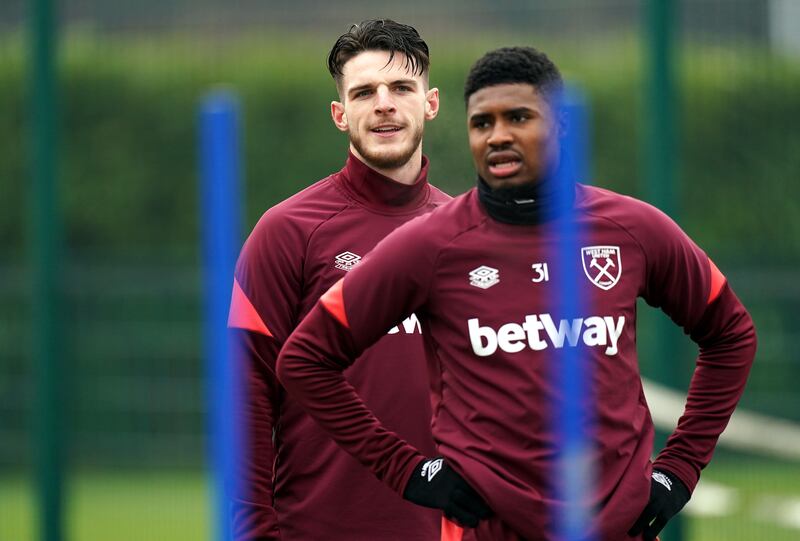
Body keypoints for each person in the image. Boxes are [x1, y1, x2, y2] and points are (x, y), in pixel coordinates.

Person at [276, 46, 757, 541]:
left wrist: (679, 468)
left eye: (519, 118)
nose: (498, 136)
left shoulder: (631, 229)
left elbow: (731, 333)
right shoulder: (429, 245)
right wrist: (408, 470)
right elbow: (305, 360)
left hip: (618, 528)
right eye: (482, 123)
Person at [227, 19, 450, 540]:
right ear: (340, 113)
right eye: (364, 92)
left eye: (401, 88)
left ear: (431, 102)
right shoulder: (286, 231)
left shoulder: (468, 233)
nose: (384, 104)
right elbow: (246, 398)